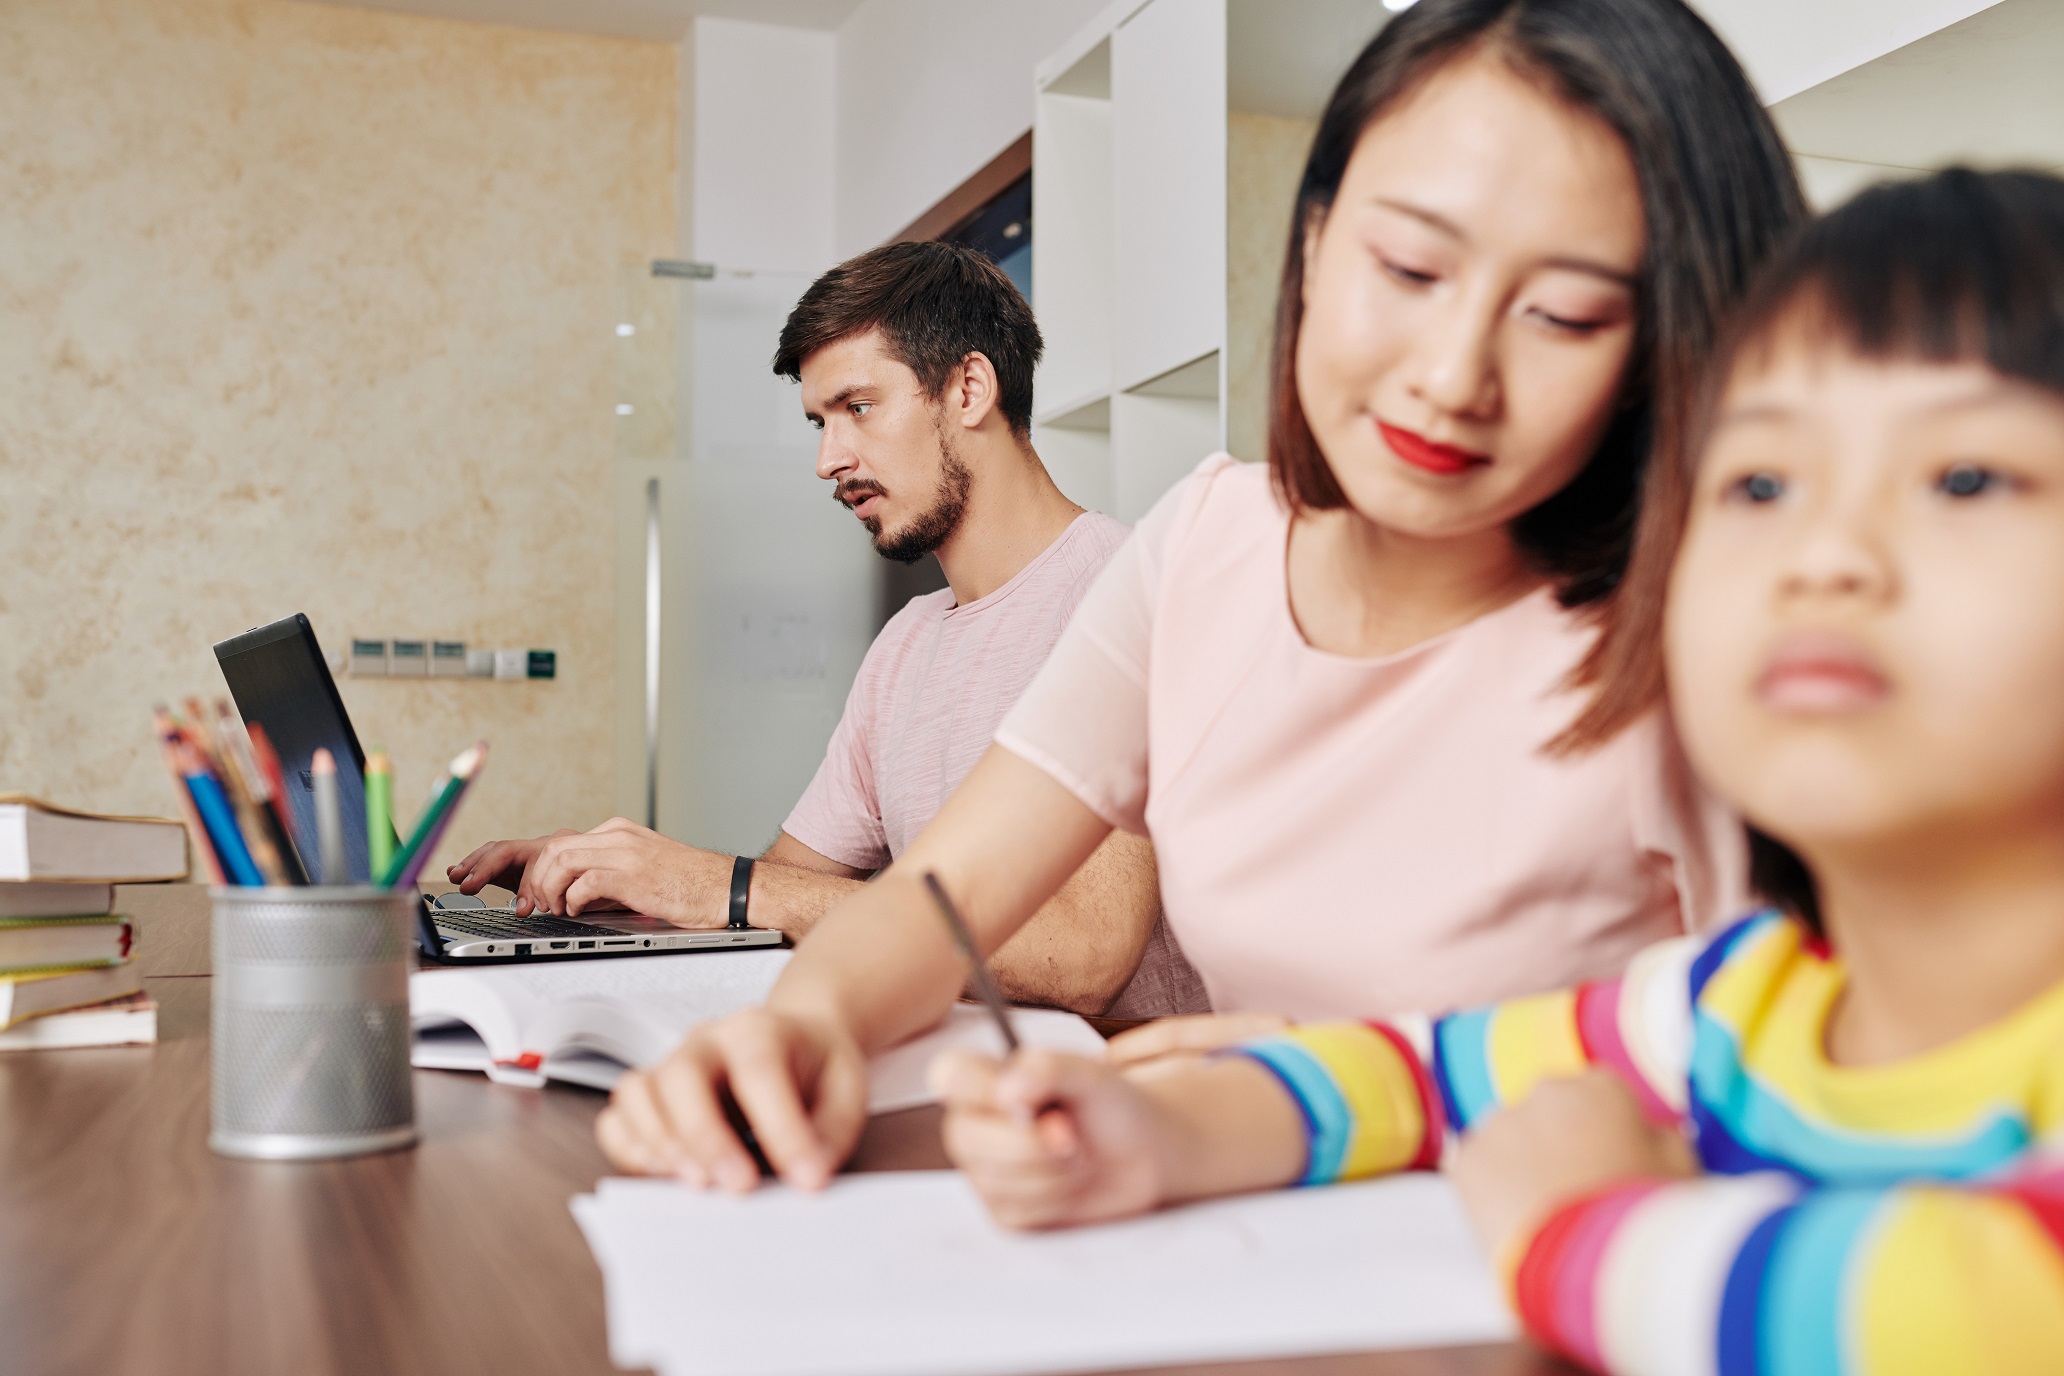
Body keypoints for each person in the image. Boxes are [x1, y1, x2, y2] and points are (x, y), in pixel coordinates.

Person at [593, 0, 1805, 1189]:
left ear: (1661, 344)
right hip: (1242, 1240)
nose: (1452, 376)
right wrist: (805, 1026)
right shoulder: (1211, 542)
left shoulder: (1708, 631)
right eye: (1410, 266)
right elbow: (940, 900)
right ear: (1319, 245)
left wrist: (1316, 1094)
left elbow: (1821, 1096)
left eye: (1564, 314)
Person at [939, 169, 2064, 1371]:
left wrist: (1573, 1225)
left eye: (1963, 477)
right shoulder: (1741, 1002)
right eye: (1761, 485)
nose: (1823, 555)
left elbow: (1970, 1308)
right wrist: (1162, 1126)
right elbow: (1425, 1065)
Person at [447, 241, 1205, 1018]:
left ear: (971, 388)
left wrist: (719, 886)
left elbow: (1083, 957)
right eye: (819, 421)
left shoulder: (1126, 594)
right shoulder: (908, 643)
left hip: (1115, 1105)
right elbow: (793, 888)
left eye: (859, 408)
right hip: (955, 1078)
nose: (827, 459)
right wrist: (613, 883)